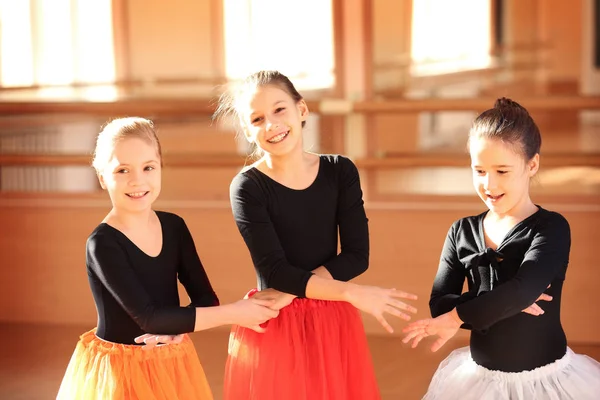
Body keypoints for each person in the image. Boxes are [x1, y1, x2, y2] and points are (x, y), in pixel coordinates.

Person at [213, 70, 418, 400]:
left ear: (302, 110)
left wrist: (299, 293)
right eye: (257, 119)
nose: (271, 125)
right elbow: (275, 271)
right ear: (249, 132)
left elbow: (355, 255)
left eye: (280, 110)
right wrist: (351, 293)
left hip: (332, 316)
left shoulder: (340, 171)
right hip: (273, 320)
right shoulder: (247, 187)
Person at [57, 117, 279, 400]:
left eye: (148, 167)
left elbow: (205, 299)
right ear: (102, 177)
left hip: (170, 362)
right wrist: (236, 313)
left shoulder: (174, 227)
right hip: (120, 372)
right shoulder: (103, 244)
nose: (138, 180)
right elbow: (149, 318)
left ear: (161, 167)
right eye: (122, 170)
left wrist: (176, 330)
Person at [402, 98, 600, 399]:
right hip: (479, 382)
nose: (489, 184)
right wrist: (506, 301)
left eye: (502, 171)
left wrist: (460, 315)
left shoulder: (551, 228)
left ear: (532, 164)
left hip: (547, 383)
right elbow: (439, 304)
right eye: (479, 171)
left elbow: (522, 290)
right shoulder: (461, 231)